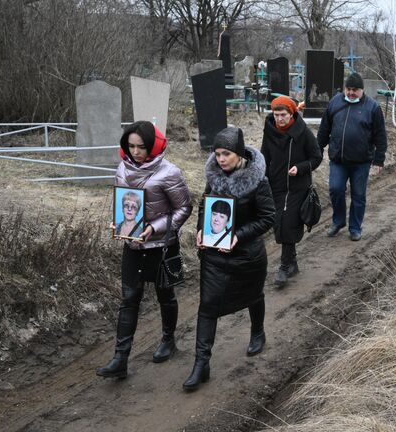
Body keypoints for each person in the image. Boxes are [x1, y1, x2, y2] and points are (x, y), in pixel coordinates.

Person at [97, 120, 192, 379]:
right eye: (131, 146)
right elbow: (124, 202)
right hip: (133, 245)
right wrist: (118, 222)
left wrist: (155, 228)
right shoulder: (122, 168)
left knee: (165, 295)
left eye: (141, 147)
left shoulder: (170, 172)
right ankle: (120, 358)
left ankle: (168, 340)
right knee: (129, 299)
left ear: (151, 146)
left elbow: (184, 209)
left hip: (161, 245)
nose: (135, 152)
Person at [184, 127, 275, 392]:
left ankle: (258, 331)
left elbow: (268, 217)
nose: (221, 159)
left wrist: (239, 235)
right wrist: (201, 229)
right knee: (208, 305)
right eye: (217, 154)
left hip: (247, 255)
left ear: (238, 154)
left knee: (254, 296)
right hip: (214, 256)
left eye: (226, 154)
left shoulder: (258, 180)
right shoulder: (213, 178)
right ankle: (201, 363)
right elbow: (205, 205)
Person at [317, 72, 387, 242]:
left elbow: (380, 136)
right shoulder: (335, 102)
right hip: (338, 160)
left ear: (362, 90)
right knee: (335, 189)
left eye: (354, 90)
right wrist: (317, 149)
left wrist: (379, 159)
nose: (350, 93)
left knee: (358, 195)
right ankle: (338, 221)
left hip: (361, 161)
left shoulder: (372, 108)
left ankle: (355, 227)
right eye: (348, 89)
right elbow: (324, 129)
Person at [261, 95, 322, 287]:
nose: (279, 119)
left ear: (292, 113)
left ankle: (284, 266)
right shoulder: (269, 130)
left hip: (297, 187)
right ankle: (293, 262)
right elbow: (264, 155)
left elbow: (316, 156)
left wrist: (301, 167)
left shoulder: (302, 132)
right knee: (279, 223)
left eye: (283, 115)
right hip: (276, 186)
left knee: (287, 224)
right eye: (276, 114)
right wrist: (261, 177)